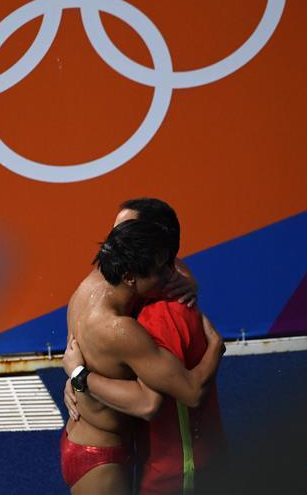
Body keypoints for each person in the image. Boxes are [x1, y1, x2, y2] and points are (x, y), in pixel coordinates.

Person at [64, 198, 228, 494]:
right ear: (130, 276)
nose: (169, 275)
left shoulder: (95, 281)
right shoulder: (120, 328)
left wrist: (191, 283)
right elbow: (163, 400)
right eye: (160, 271)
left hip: (90, 437)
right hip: (101, 458)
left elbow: (170, 265)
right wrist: (216, 347)